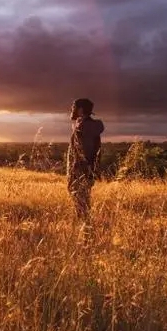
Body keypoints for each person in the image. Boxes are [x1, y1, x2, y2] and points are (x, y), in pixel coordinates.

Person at [66, 98, 105, 237]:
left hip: (81, 171)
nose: (71, 109)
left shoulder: (84, 127)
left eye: (74, 107)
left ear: (81, 109)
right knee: (82, 201)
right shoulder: (84, 125)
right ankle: (85, 231)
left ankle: (86, 233)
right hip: (83, 170)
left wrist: (84, 170)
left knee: (81, 201)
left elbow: (86, 151)